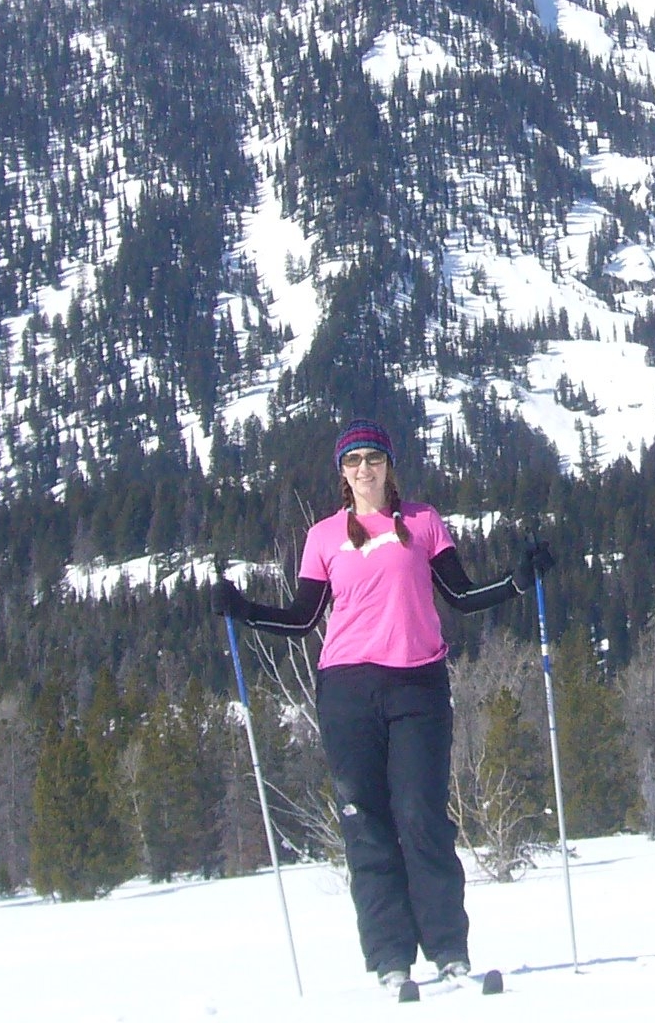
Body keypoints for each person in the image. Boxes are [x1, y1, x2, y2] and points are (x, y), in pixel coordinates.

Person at [215, 419, 555, 994]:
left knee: (422, 815)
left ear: (389, 465)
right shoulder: (324, 536)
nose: (364, 469)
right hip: (346, 691)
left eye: (373, 458)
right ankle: (391, 959)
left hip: (417, 684)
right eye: (353, 462)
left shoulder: (423, 522)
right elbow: (302, 619)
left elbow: (462, 596)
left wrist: (519, 582)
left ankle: (448, 952)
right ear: (342, 474)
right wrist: (244, 609)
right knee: (365, 824)